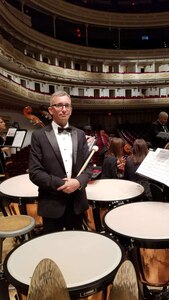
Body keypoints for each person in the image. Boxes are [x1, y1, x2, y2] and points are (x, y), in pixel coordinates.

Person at [29, 91, 93, 234]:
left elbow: (88, 167)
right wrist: (62, 184)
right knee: (53, 247)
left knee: (76, 244)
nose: (64, 109)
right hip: (52, 203)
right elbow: (35, 172)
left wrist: (77, 182)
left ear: (71, 110)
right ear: (51, 110)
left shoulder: (80, 134)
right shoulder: (38, 136)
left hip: (77, 202)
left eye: (67, 106)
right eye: (59, 105)